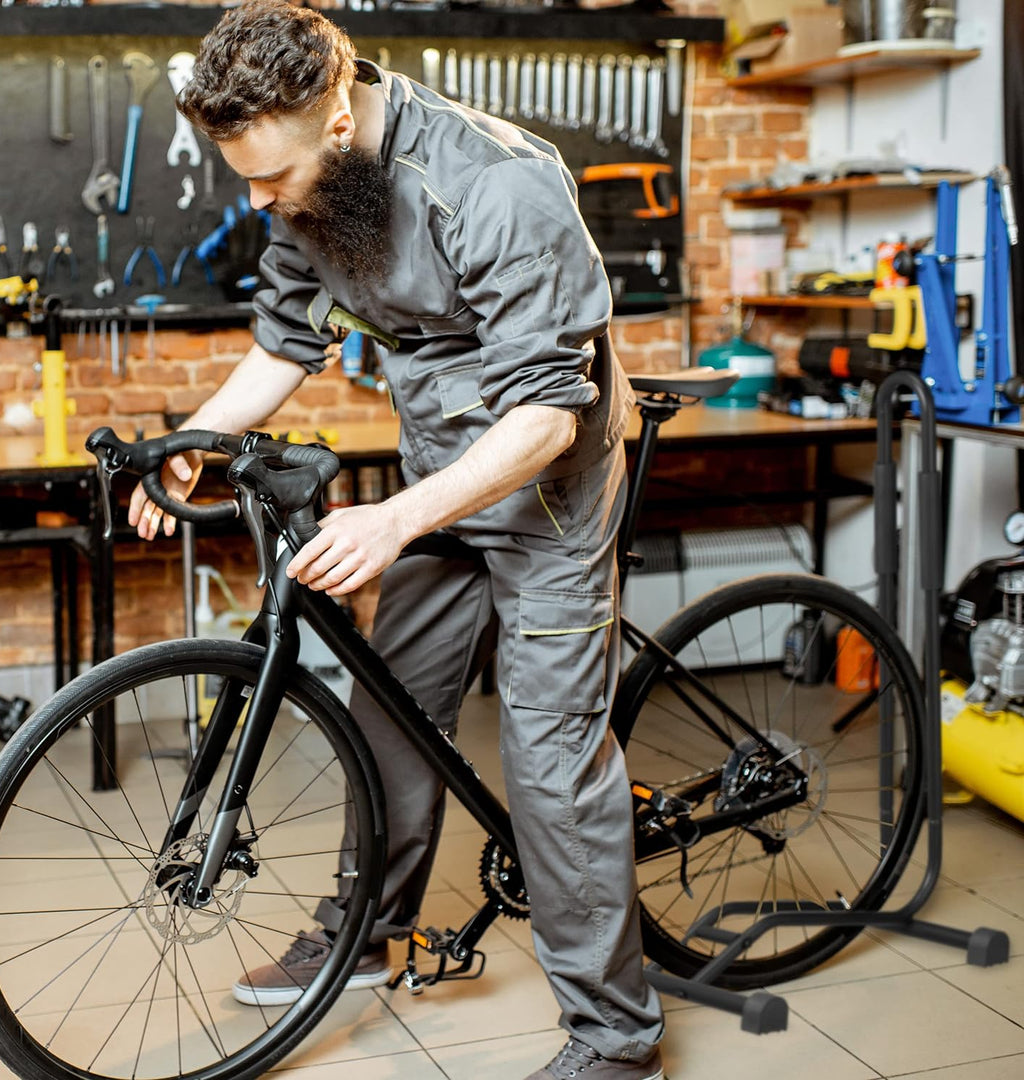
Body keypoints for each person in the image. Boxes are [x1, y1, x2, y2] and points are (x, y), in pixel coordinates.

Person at [131, 3, 664, 1077]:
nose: (258, 199)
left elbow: (548, 415)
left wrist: (398, 518)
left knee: (551, 765)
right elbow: (290, 341)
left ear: (336, 117)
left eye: (268, 175)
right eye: (240, 177)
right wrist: (190, 439)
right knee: (394, 717)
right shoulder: (314, 191)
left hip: (546, 488)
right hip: (439, 479)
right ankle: (364, 933)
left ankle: (616, 1039)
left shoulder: (499, 185)